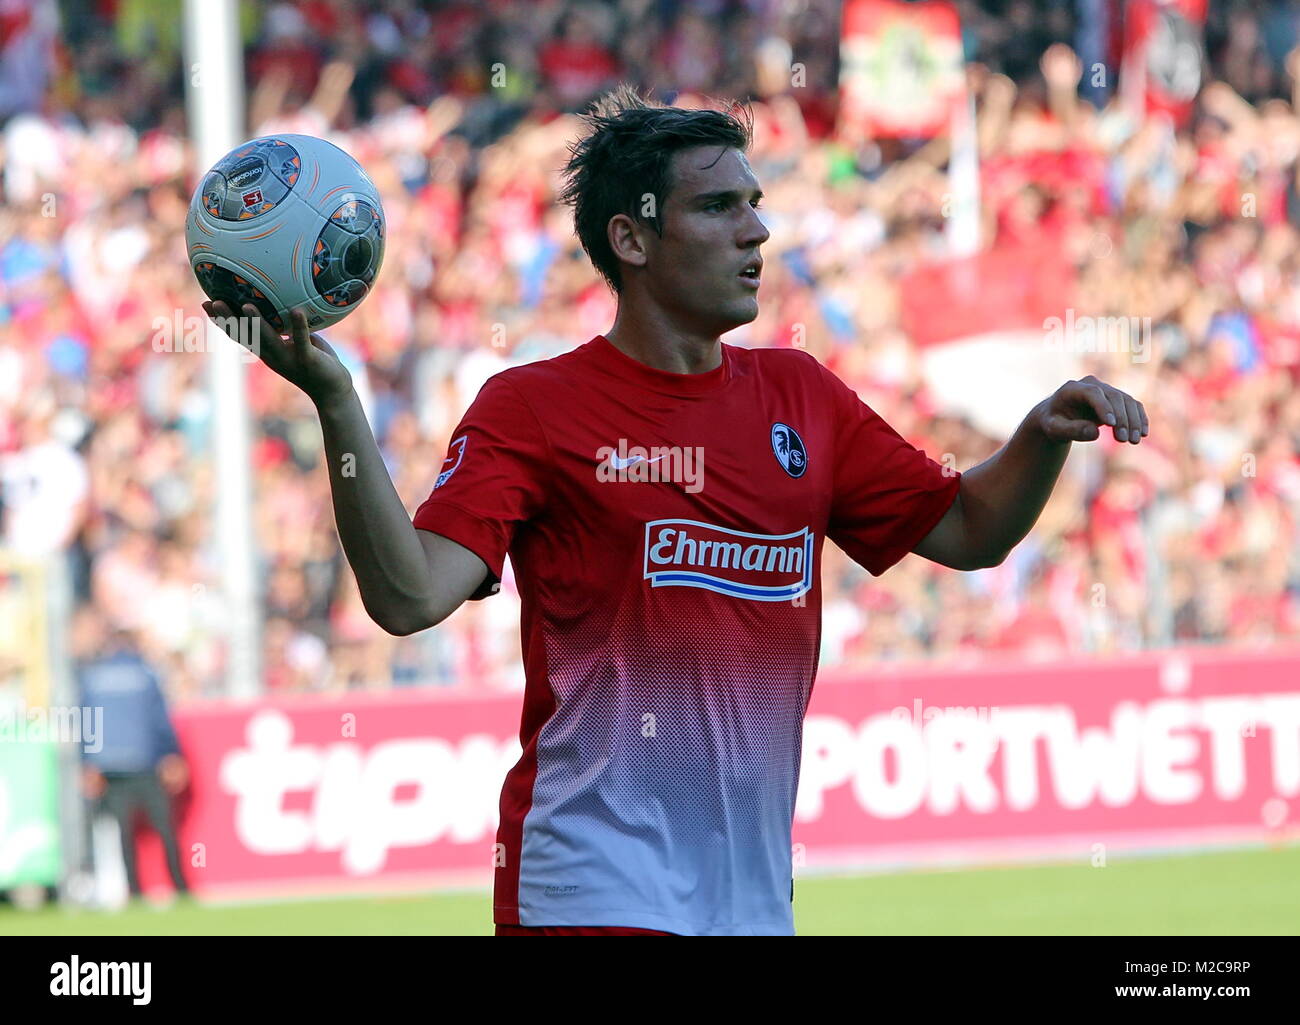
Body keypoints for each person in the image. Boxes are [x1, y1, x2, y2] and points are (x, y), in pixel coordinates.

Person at [204, 85, 1149, 936]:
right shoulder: (532, 408)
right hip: (588, 885)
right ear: (633, 238)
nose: (757, 233)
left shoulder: (803, 396)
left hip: (750, 898)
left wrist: (1039, 435)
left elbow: (971, 531)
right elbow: (409, 597)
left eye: (755, 205)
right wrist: (335, 400)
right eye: (719, 207)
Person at [74, 605, 191, 902]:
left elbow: (86, 721)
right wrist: (172, 754)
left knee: (123, 832)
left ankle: (135, 891)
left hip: (111, 765)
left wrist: (88, 762)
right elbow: (159, 719)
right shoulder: (145, 674)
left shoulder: (92, 676)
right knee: (165, 827)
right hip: (144, 761)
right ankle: (180, 886)